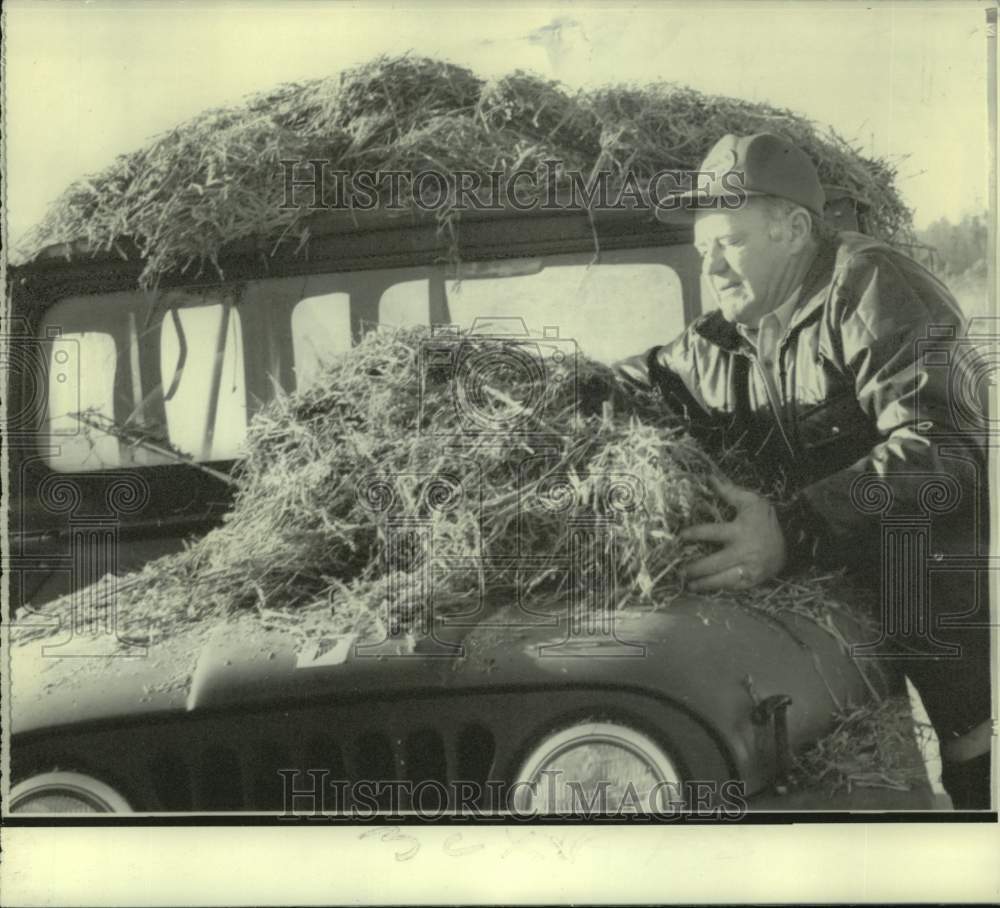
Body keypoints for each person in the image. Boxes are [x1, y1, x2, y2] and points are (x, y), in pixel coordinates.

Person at [616, 133, 992, 809]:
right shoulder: (715, 342)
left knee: (968, 765)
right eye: (703, 252)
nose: (713, 269)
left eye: (728, 243)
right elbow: (631, 384)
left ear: (792, 229)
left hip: (919, 594)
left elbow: (945, 446)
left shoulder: (872, 285)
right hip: (821, 614)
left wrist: (793, 525)